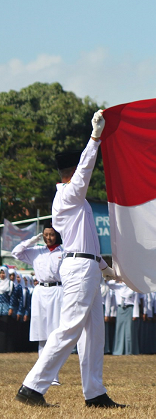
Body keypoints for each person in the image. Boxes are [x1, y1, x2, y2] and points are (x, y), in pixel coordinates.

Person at [16, 110, 125, 408]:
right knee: (69, 329)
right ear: (73, 170)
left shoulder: (77, 200)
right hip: (78, 267)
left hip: (87, 265)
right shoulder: (67, 196)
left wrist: (107, 270)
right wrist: (94, 139)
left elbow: (88, 244)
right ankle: (32, 386)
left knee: (93, 333)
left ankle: (95, 393)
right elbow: (86, 171)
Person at [111, 282, 140, 355]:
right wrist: (117, 279)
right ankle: (118, 350)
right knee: (119, 329)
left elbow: (136, 301)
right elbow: (108, 284)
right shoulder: (117, 286)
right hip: (120, 309)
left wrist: (135, 314)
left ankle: (129, 350)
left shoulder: (133, 287)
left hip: (129, 308)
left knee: (129, 331)